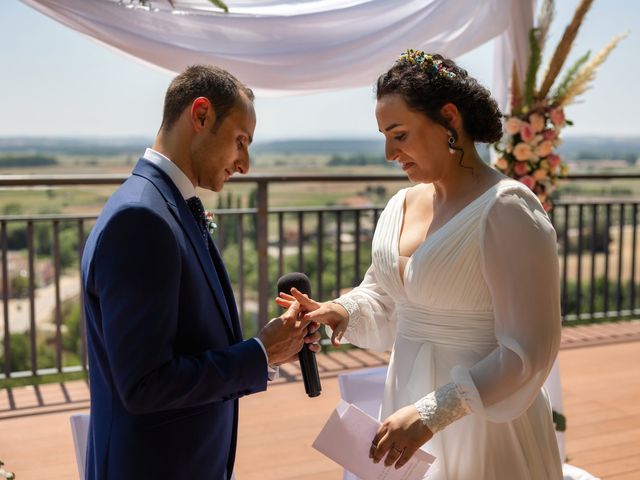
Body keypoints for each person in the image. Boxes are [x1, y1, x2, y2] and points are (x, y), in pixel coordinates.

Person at [278, 51, 563, 479]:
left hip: (482, 421)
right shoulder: (401, 204)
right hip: (404, 402)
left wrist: (432, 413)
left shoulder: (507, 209)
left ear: (449, 119)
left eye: (399, 134)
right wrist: (342, 311)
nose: (389, 153)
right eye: (383, 136)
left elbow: (529, 352)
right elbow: (388, 297)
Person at [81, 65, 320, 480]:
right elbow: (144, 385)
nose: (244, 163)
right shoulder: (141, 218)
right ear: (202, 115)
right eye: (240, 141)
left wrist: (273, 349)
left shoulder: (165, 204)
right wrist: (259, 353)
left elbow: (188, 342)